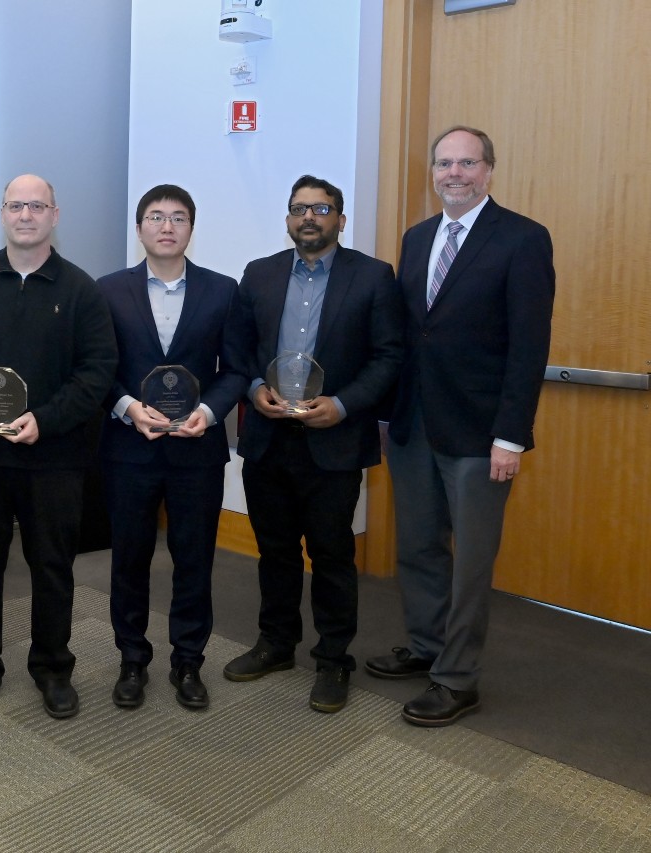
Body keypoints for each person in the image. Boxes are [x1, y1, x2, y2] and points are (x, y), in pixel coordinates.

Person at [366, 126, 554, 726]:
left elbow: (529, 348)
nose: (454, 173)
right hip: (414, 425)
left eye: (467, 163)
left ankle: (457, 678)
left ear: (489, 170)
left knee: (471, 560)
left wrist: (510, 435)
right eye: (444, 163)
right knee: (418, 546)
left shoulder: (523, 239)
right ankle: (426, 646)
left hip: (479, 434)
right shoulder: (417, 238)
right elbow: (408, 336)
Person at [0, 174, 117, 719]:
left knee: (52, 567)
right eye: (16, 205)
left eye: (37, 206)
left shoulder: (81, 290)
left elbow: (96, 371)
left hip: (52, 458)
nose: (25, 215)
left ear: (55, 215)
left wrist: (47, 421)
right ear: (2, 214)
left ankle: (53, 667)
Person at [223, 175, 403, 714]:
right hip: (269, 439)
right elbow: (239, 351)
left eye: (321, 209)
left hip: (335, 442)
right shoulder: (258, 275)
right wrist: (255, 390)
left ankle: (332, 659)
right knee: (274, 551)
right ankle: (277, 644)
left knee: (331, 554)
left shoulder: (373, 277)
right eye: (299, 209)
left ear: (340, 221)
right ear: (287, 219)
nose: (309, 217)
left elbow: (389, 357)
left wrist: (344, 405)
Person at [96, 184, 249, 711]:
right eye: (156, 217)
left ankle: (188, 660)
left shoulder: (223, 291)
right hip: (128, 449)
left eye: (178, 217)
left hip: (195, 451)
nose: (167, 226)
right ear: (139, 228)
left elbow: (236, 370)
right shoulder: (108, 291)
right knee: (130, 559)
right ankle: (132, 659)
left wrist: (207, 415)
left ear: (191, 227)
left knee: (194, 559)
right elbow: (99, 370)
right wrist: (126, 408)